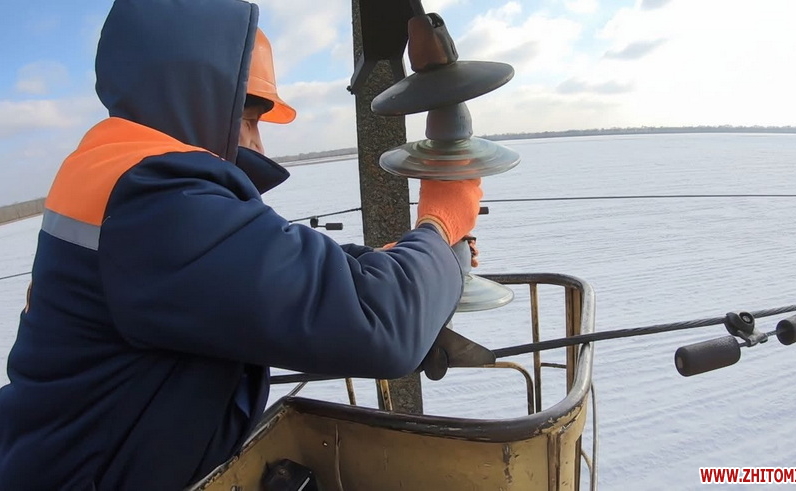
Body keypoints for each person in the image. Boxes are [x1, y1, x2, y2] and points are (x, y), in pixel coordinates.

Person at [0, 0, 482, 489]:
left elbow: (265, 257)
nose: (258, 145)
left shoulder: (116, 172)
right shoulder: (155, 196)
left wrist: (397, 262)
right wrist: (440, 220)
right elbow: (379, 325)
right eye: (248, 119)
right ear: (199, 97)